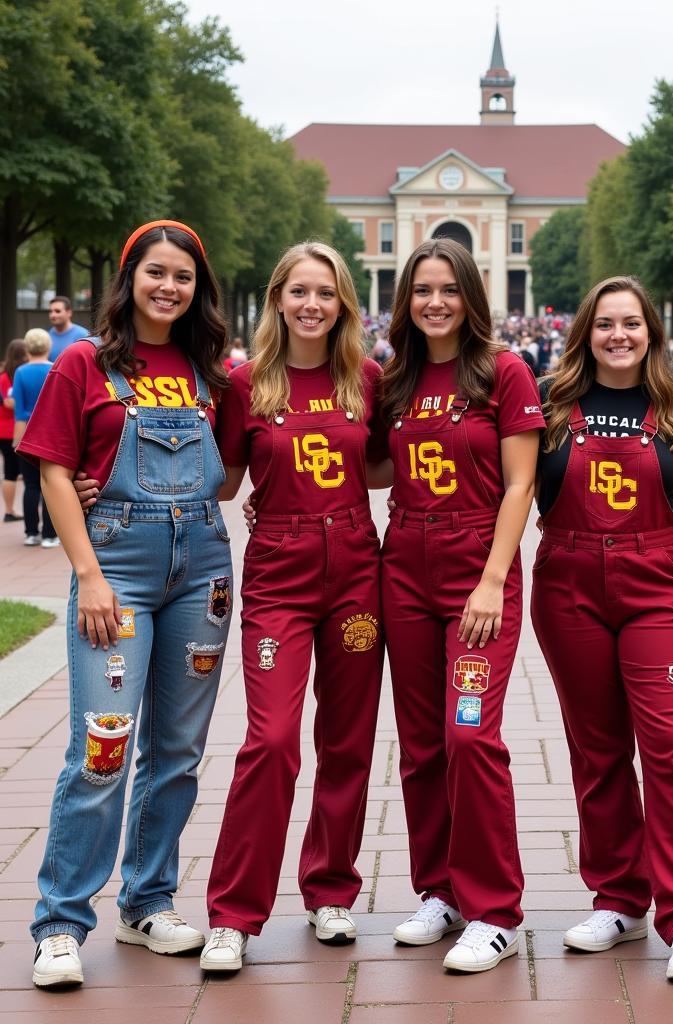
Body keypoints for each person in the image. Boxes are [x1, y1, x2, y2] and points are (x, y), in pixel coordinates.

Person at [19, 220, 232, 988]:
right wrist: (89, 573)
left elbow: (229, 478)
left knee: (177, 750)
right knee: (103, 745)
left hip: (202, 569)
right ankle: (60, 921)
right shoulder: (84, 363)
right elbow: (51, 471)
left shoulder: (215, 372)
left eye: (183, 276)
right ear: (129, 278)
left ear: (196, 288)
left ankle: (148, 903)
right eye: (156, 273)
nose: (169, 287)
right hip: (118, 570)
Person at [532, 275, 673, 983]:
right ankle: (619, 898)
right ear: (585, 331)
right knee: (597, 748)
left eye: (633, 324)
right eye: (606, 323)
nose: (620, 335)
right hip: (568, 584)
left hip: (656, 586)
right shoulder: (550, 407)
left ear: (651, 332)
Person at [198, 242, 387, 972]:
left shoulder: (366, 379)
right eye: (300, 291)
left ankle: (331, 889)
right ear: (278, 297)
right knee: (271, 740)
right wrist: (101, 480)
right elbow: (217, 479)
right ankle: (234, 915)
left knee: (347, 739)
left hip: (355, 573)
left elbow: (380, 463)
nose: (313, 304)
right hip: (278, 573)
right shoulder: (245, 385)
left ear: (343, 304)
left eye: (327, 293)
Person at [380, 238, 544, 973]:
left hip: (478, 565)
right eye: (422, 290)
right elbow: (359, 458)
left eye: (448, 289)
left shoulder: (503, 371)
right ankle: (439, 890)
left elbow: (520, 484)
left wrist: (491, 577)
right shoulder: (395, 377)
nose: (435, 302)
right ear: (406, 300)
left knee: (469, 735)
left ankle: (496, 910)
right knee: (420, 744)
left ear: (471, 295)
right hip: (404, 565)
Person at [12, 329, 58, 546]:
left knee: (31, 485)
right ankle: (50, 535)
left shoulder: (20, 372)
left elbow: (19, 411)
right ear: (48, 347)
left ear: (27, 348)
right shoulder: (55, 370)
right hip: (51, 433)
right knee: (53, 483)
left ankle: (31, 533)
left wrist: (16, 440)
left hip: (27, 433)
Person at [1, 338, 27, 522]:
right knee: (15, 472)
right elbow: (9, 403)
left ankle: (10, 510)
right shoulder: (17, 375)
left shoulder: (4, 376)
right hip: (14, 430)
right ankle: (10, 511)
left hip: (6, 431)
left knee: (11, 472)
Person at [48, 296, 90, 361]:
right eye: (51, 311)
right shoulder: (48, 335)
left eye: (57, 311)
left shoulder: (84, 335)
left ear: (69, 313)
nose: (53, 315)